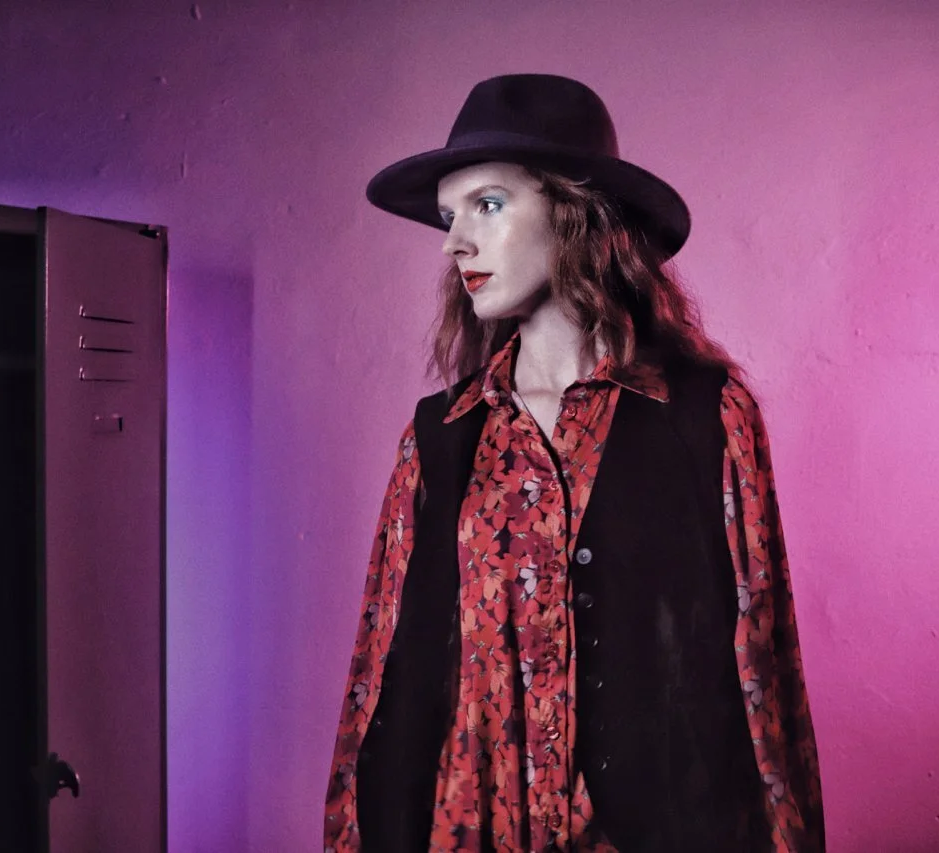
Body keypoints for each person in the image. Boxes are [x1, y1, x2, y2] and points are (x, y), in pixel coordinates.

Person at [323, 75, 824, 853]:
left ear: (574, 210)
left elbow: (765, 676)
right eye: (450, 217)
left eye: (488, 204)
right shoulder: (440, 438)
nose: (455, 242)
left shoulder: (707, 416)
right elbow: (378, 677)